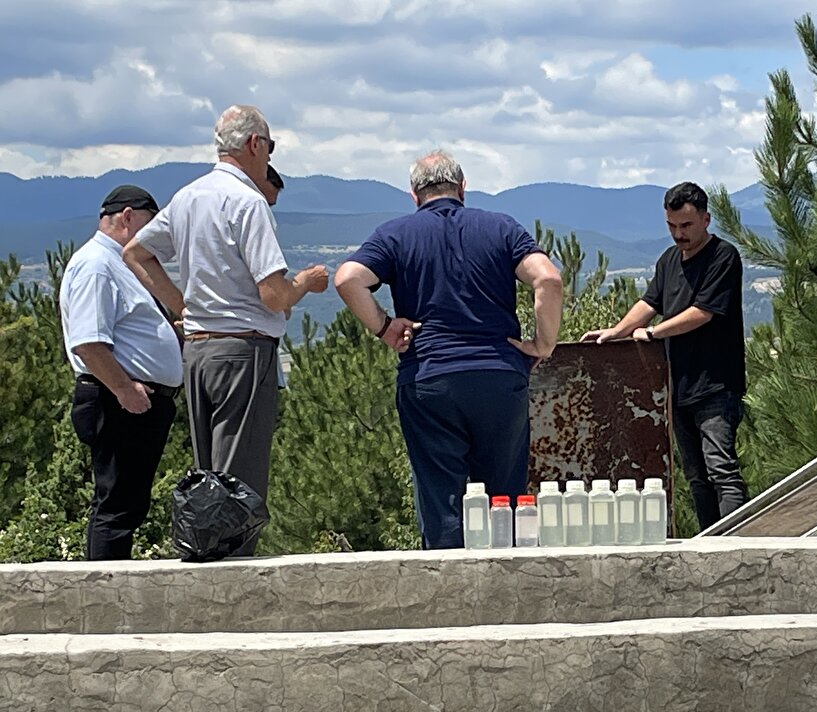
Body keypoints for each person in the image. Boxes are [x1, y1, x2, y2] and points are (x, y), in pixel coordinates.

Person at [123, 105, 328, 555]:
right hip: (243, 352)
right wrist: (305, 285)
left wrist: (181, 305)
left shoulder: (188, 197)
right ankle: (234, 583)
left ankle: (206, 569)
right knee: (238, 485)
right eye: (270, 146)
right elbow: (273, 295)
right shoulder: (247, 201)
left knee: (209, 481)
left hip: (197, 351)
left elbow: (136, 252)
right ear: (255, 144)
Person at [334, 149, 563, 549]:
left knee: (441, 500)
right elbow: (548, 280)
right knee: (503, 501)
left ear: (414, 194)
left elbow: (347, 279)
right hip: (499, 376)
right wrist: (543, 344)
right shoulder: (502, 228)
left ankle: (447, 590)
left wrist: (386, 328)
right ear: (462, 187)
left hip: (429, 378)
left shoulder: (396, 234)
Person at [582, 182, 747, 530]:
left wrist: (655, 333)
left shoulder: (723, 257)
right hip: (678, 386)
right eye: (672, 226)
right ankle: (707, 540)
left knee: (721, 470)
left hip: (715, 385)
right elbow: (649, 303)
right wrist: (618, 331)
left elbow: (702, 312)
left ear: (706, 219)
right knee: (696, 477)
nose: (678, 235)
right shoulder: (669, 260)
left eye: (686, 226)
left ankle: (735, 541)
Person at [58, 185, 182, 560]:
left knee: (126, 505)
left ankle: (113, 589)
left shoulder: (117, 263)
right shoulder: (97, 265)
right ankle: (105, 595)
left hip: (134, 401)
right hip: (120, 401)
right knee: (116, 508)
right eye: (148, 226)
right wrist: (125, 390)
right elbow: (88, 342)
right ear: (127, 217)